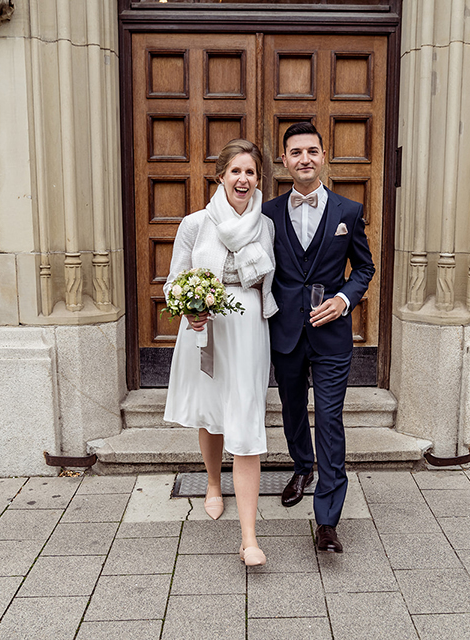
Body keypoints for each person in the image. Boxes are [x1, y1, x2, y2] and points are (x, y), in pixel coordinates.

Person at [163, 139, 278, 567]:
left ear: (257, 179)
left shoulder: (266, 225)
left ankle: (249, 537)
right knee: (212, 413)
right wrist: (190, 308)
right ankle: (213, 483)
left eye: (251, 172)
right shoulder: (195, 224)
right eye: (236, 172)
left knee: (246, 420)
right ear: (221, 176)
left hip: (249, 328)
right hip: (204, 329)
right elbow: (174, 282)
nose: (243, 179)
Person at [262, 122, 375, 553]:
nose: (304, 159)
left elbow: (364, 268)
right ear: (286, 161)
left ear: (324, 156)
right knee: (292, 408)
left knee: (329, 419)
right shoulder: (269, 212)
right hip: (286, 331)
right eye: (295, 152)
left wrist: (345, 300)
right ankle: (302, 466)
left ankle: (327, 519)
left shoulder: (348, 211)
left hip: (332, 337)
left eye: (312, 151)